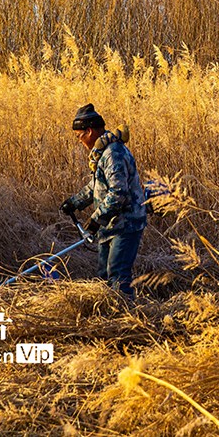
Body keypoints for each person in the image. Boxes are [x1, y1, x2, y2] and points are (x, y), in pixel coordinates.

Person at [60, 104, 147, 298]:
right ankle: (111, 320)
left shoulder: (113, 154)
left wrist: (95, 221)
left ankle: (127, 320)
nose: (79, 141)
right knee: (104, 277)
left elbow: (118, 193)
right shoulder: (102, 153)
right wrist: (75, 203)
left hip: (126, 225)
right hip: (110, 225)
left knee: (118, 277)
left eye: (79, 135)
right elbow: (96, 186)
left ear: (89, 131)